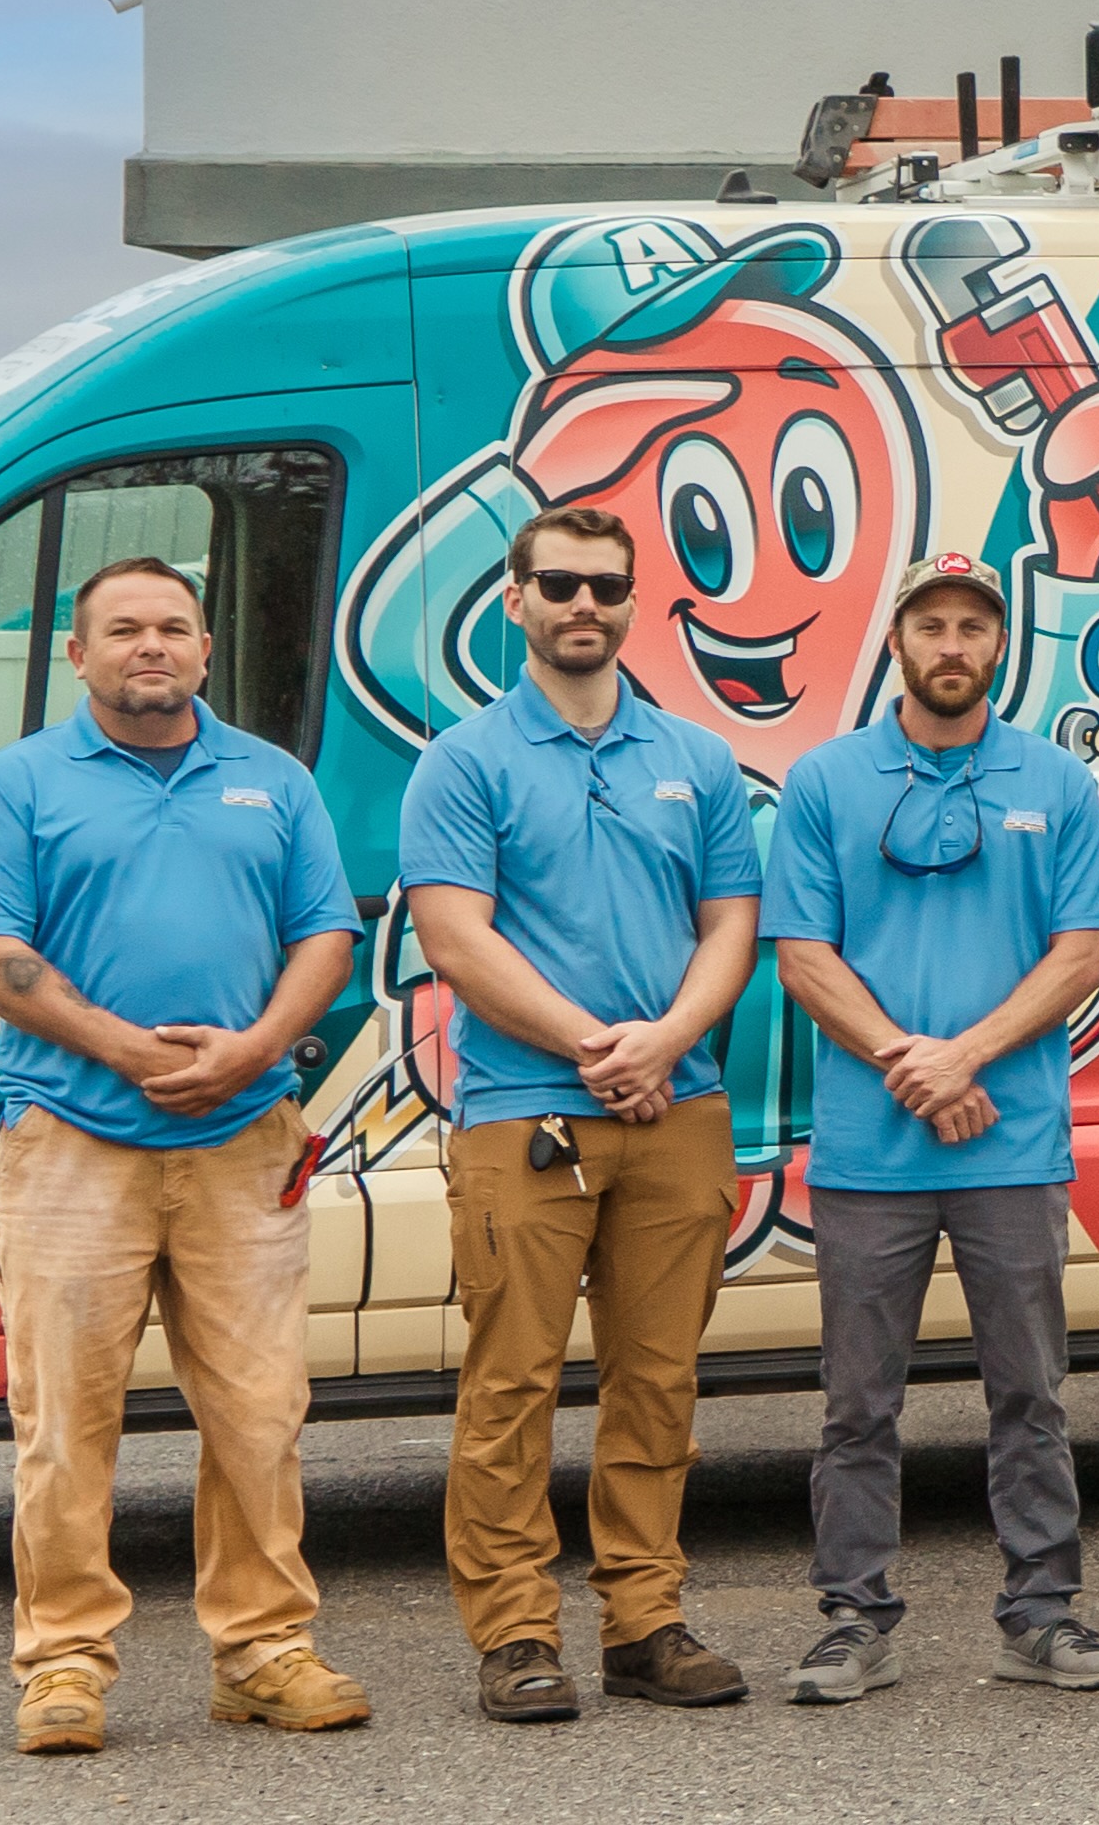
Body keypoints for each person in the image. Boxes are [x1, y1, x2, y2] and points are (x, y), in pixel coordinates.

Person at [0, 556, 372, 1756]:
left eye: (173, 627)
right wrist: (124, 1048)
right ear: (77, 654)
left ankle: (264, 1652)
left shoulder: (272, 782)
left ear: (203, 648)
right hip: (75, 1142)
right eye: (122, 629)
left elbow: (326, 938)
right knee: (66, 1422)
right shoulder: (20, 785)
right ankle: (64, 1665)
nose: (151, 646)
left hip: (243, 1138)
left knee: (258, 1413)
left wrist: (259, 1049)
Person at [401, 503, 768, 1722]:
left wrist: (666, 1040)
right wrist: (592, 1044)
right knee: (510, 1383)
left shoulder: (696, 758)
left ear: (633, 602)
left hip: (681, 1103)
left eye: (606, 587)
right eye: (557, 584)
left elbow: (732, 925)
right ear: (514, 600)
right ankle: (514, 1632)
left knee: (657, 1383)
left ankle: (644, 1621)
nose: (582, 606)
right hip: (524, 1109)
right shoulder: (464, 760)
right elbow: (455, 934)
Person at [765, 553, 1099, 1703]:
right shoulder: (826, 781)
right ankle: (852, 1616)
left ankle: (1041, 1613)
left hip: (1009, 1140)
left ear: (998, 645)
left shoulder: (1057, 782)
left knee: (1029, 1391)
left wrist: (964, 1056)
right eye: (932, 623)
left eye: (974, 625)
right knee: (857, 1401)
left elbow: (1080, 949)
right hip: (873, 1150)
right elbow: (801, 952)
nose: (953, 643)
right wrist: (909, 1061)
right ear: (899, 642)